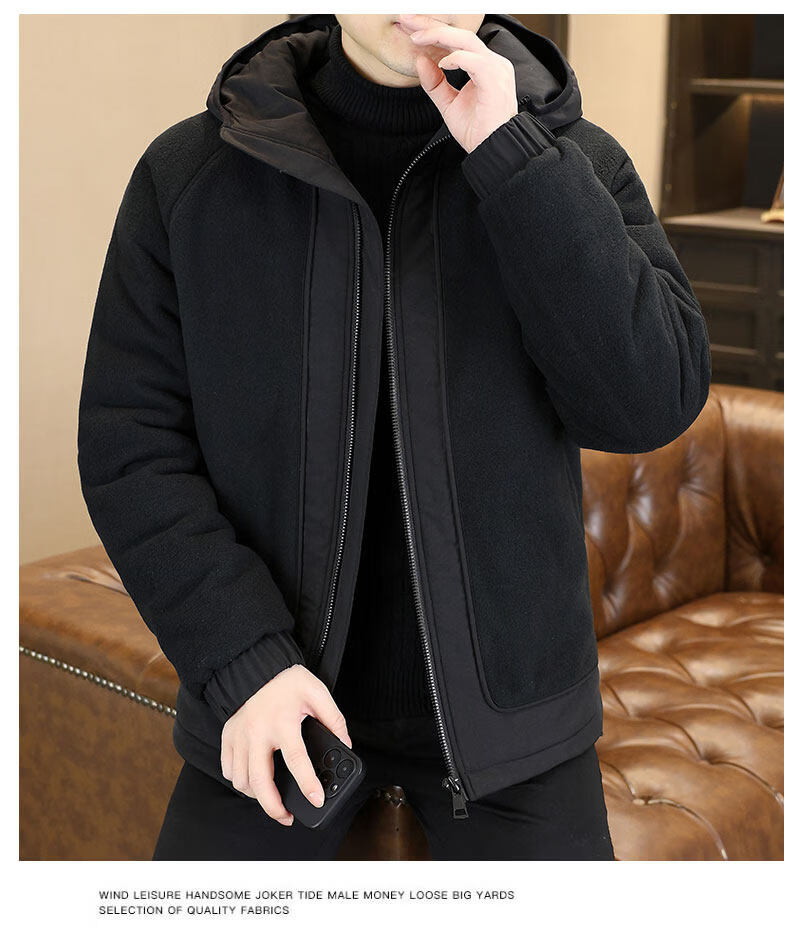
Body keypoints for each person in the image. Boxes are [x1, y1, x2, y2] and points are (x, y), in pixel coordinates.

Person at [77, 12, 711, 860]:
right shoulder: (191, 174)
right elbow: (130, 446)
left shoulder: (576, 160)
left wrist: (513, 158)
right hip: (279, 705)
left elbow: (650, 405)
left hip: (517, 726)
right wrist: (245, 661)